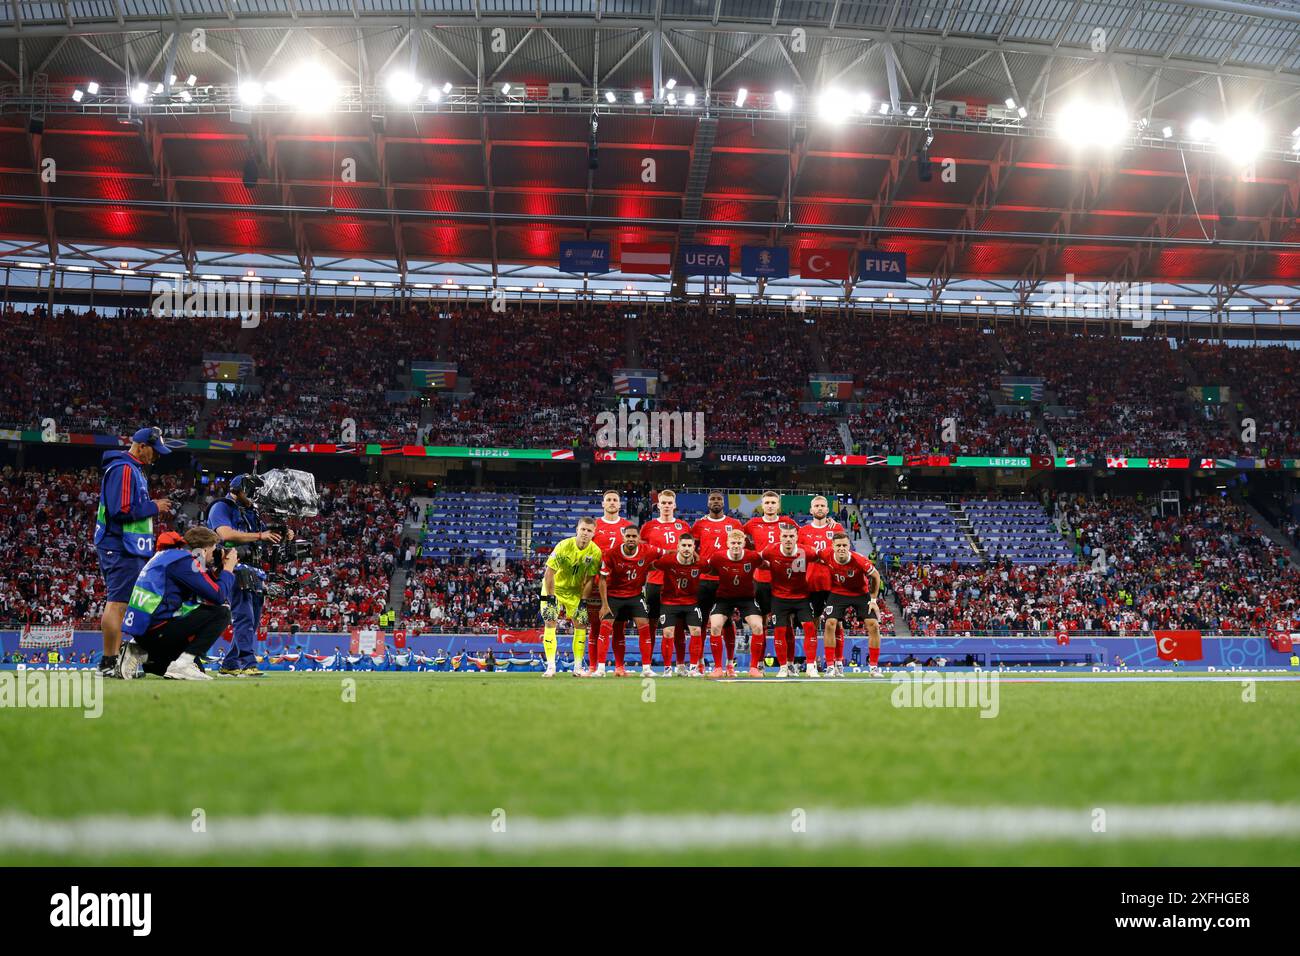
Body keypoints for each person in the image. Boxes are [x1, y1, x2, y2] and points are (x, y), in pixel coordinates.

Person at [93, 426, 174, 677]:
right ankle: (108, 663)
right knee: (117, 604)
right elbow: (121, 510)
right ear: (140, 446)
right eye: (154, 451)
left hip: (125, 546)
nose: (157, 457)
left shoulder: (132, 469)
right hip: (119, 545)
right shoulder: (124, 469)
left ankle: (113, 662)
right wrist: (153, 506)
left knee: (122, 603)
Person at [118, 527, 237, 681]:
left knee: (190, 669)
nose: (214, 554)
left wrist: (218, 569)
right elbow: (218, 596)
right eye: (214, 549)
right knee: (222, 612)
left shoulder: (171, 556)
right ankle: (179, 663)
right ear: (205, 549)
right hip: (157, 630)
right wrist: (228, 568)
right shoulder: (185, 561)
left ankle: (141, 652)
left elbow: (201, 585)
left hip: (146, 630)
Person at [205, 474, 281, 677]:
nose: (254, 496)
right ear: (238, 490)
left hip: (254, 568)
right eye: (251, 491)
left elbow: (266, 534)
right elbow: (225, 534)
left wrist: (281, 532)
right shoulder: (221, 507)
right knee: (244, 617)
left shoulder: (251, 512)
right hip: (232, 565)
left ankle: (229, 663)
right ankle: (248, 663)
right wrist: (260, 536)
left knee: (253, 620)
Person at [539, 516, 603, 678]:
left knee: (581, 624)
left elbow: (589, 580)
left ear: (593, 533)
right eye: (583, 529)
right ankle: (551, 666)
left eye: (589, 531)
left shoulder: (595, 552)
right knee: (550, 621)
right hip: (554, 588)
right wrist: (551, 599)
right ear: (577, 530)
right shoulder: (563, 546)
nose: (585, 533)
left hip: (574, 591)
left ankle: (578, 667)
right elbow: (549, 573)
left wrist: (583, 601)